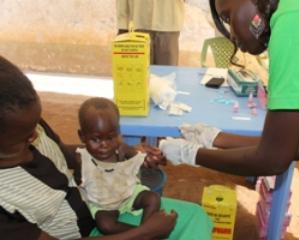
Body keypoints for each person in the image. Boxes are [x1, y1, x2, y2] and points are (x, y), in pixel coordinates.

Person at [159, 0, 299, 239]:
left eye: (228, 17)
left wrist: (189, 154)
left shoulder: (296, 22)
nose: (231, 35)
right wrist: (216, 138)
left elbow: (273, 159)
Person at [0, 55, 213, 240]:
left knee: (195, 217)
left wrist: (125, 152)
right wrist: (144, 233)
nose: (35, 135)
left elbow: (63, 154)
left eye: (35, 124)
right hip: (84, 231)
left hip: (102, 207)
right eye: (23, 137)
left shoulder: (20, 117)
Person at [75, 97, 162, 235]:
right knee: (105, 225)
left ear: (118, 132)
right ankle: (144, 234)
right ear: (82, 136)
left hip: (128, 193)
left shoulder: (122, 149)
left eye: (110, 138)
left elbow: (141, 161)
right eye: (96, 139)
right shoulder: (81, 158)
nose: (104, 145)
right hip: (102, 203)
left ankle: (147, 230)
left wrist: (150, 160)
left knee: (153, 198)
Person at [116, 0, 185, 65]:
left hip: (168, 23)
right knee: (139, 73)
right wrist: (123, 25)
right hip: (139, 24)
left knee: (167, 74)